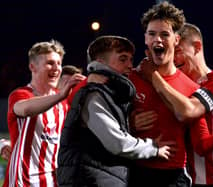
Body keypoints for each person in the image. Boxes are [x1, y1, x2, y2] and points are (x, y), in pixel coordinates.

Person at [57, 35, 175, 187]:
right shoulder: (93, 95)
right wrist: (152, 148)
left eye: (131, 59)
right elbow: (117, 143)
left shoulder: (109, 94)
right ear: (100, 64)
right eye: (122, 59)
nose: (129, 65)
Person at [139, 23, 213, 186]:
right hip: (191, 180)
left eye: (179, 51)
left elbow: (188, 111)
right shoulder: (173, 87)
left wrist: (153, 77)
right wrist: (132, 123)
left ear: (197, 47)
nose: (174, 58)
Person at [128, 2, 199, 187]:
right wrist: (128, 125)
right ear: (145, 39)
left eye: (164, 34)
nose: (157, 40)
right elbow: (107, 127)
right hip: (135, 172)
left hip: (174, 176)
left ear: (176, 39)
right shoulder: (130, 79)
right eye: (152, 34)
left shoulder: (191, 87)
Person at [4, 40, 84, 187]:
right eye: (50, 63)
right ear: (32, 67)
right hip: (23, 181)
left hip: (53, 181)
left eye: (59, 63)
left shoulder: (63, 103)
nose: (56, 68)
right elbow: (26, 109)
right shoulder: (21, 94)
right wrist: (60, 96)